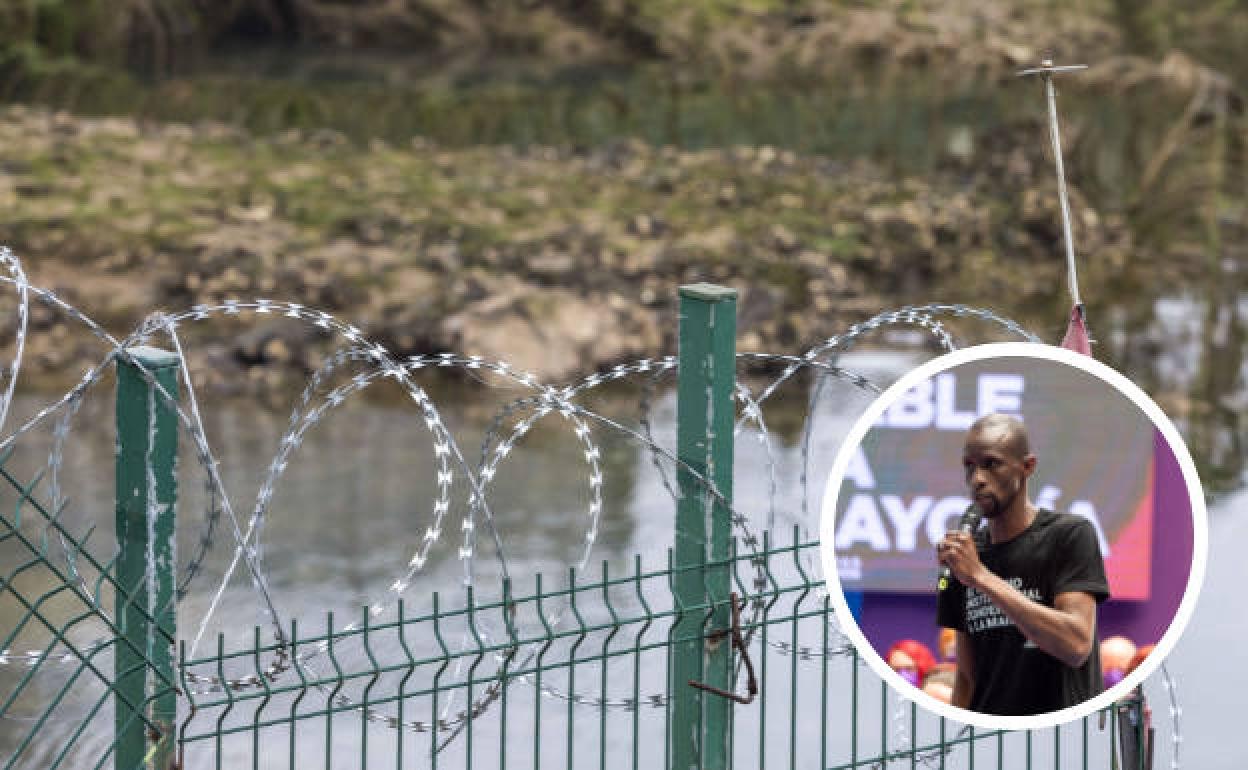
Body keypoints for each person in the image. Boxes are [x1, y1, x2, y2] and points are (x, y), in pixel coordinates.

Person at [935, 413, 1110, 715]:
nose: (977, 479)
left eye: (991, 464)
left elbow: (1076, 645)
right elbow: (966, 677)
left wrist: (981, 578)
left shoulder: (1069, 534)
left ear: (1027, 467)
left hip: (1059, 733)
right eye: (970, 466)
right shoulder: (964, 556)